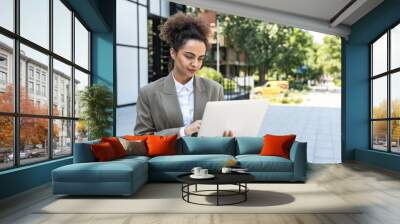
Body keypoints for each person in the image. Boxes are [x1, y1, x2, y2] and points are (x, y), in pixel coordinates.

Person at [134, 12, 231, 137]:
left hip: (207, 155)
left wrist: (226, 135)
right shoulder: (148, 93)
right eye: (189, 56)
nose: (195, 64)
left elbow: (220, 129)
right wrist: (182, 131)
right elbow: (141, 138)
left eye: (200, 58)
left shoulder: (215, 89)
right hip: (168, 156)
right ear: (173, 53)